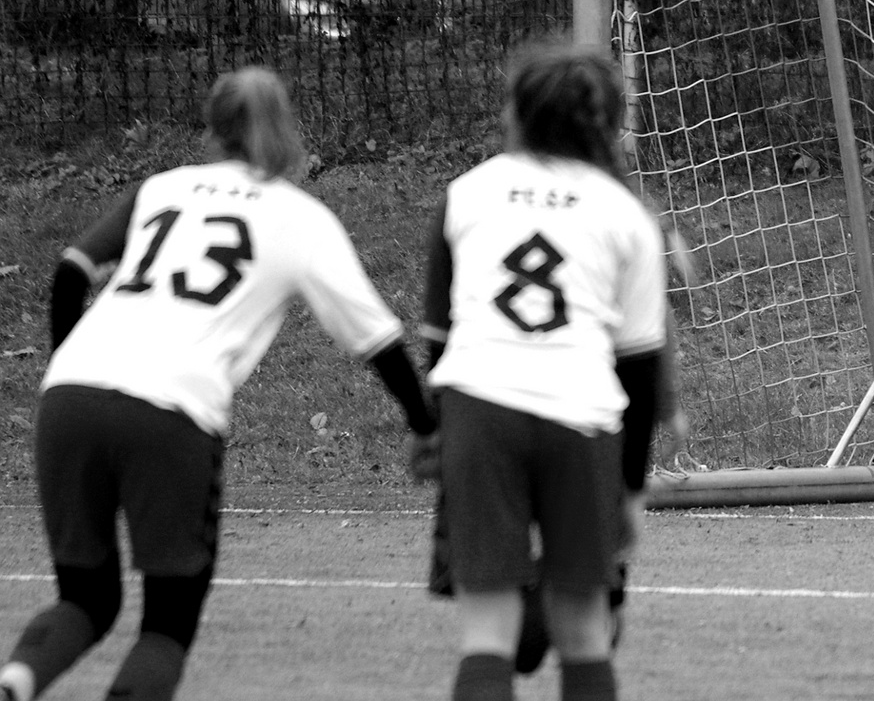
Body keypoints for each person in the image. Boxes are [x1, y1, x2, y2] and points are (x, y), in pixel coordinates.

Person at [0, 67, 437, 701]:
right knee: (167, 623)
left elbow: (69, 273)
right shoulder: (299, 217)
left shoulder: (163, 188)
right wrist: (427, 427)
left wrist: (75, 369)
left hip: (69, 397)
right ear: (286, 126)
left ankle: (17, 677)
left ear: (212, 128)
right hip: (171, 408)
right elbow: (378, 342)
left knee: (86, 599)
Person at [419, 39, 671, 701]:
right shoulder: (627, 216)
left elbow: (438, 341)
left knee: (487, 637)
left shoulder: (466, 193)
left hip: (479, 410)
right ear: (608, 122)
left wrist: (432, 432)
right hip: (581, 416)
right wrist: (631, 494)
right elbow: (640, 373)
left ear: (517, 113)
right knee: (586, 633)